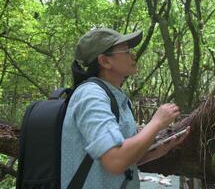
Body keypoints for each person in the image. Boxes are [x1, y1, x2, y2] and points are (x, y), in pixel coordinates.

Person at [61, 28, 190, 189]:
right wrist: (156, 123)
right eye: (126, 51)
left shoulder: (117, 98)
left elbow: (123, 160)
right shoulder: (91, 96)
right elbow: (115, 161)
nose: (133, 55)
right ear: (105, 61)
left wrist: (159, 150)